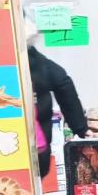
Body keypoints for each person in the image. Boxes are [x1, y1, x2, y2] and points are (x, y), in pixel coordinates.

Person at [24, 18, 88, 177]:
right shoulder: (36, 62)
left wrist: (80, 127)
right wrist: (81, 128)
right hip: (37, 154)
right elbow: (63, 83)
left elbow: (63, 83)